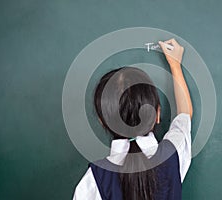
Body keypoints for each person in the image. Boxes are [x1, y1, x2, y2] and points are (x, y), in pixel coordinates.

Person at [73, 38, 193, 200]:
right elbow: (184, 115)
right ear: (157, 114)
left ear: (103, 122)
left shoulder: (94, 180)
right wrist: (175, 65)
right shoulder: (173, 154)